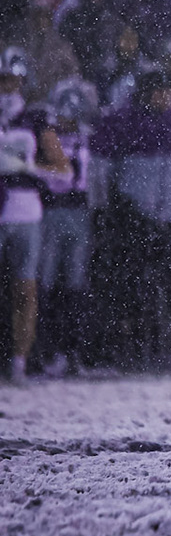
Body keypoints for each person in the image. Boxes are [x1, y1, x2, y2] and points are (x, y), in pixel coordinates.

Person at [90, 69, 171, 369]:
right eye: (157, 91)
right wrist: (107, 210)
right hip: (134, 220)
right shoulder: (123, 123)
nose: (163, 97)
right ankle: (120, 353)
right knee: (127, 290)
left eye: (167, 90)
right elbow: (102, 172)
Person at [0, 47, 71, 379]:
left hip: (25, 209)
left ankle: (19, 363)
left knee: (25, 290)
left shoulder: (34, 118)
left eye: (11, 81)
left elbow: (64, 171)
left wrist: (28, 166)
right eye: (2, 81)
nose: (6, 88)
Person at [37, 77, 96, 374]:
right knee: (46, 283)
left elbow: (92, 179)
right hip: (51, 212)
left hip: (80, 214)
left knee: (75, 285)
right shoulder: (47, 136)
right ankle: (46, 353)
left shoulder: (88, 137)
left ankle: (73, 351)